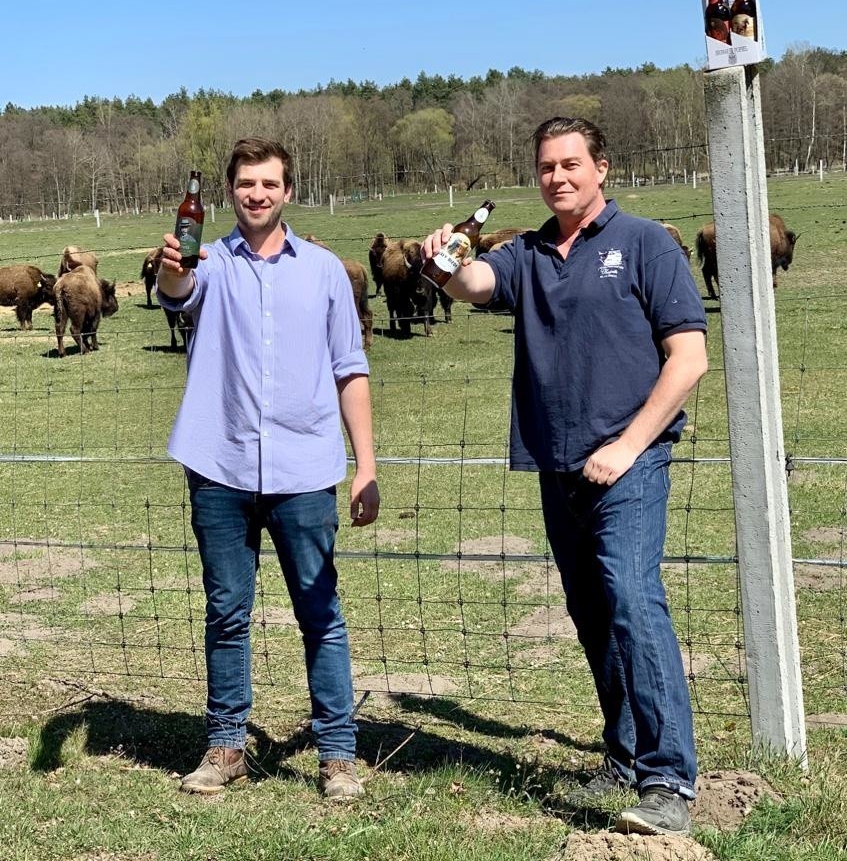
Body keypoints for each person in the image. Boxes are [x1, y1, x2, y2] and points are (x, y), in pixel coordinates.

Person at [421, 117, 707, 836]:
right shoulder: (529, 252)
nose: (558, 177)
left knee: (633, 600)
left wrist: (629, 444)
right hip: (556, 460)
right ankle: (622, 754)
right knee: (591, 611)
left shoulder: (644, 243)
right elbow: (474, 284)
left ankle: (667, 778)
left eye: (571, 164)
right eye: (546, 166)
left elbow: (688, 358)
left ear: (600, 169)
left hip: (627, 461)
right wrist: (445, 262)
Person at [157, 137, 380, 799]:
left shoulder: (322, 271)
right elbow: (177, 295)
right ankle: (226, 748)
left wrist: (365, 464)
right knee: (227, 609)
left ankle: (337, 754)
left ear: (287, 191)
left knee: (320, 610)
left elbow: (350, 368)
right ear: (229, 192)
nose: (256, 193)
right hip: (219, 464)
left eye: (268, 183)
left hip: (304, 469)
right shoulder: (208, 263)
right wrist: (172, 268)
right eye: (245, 183)